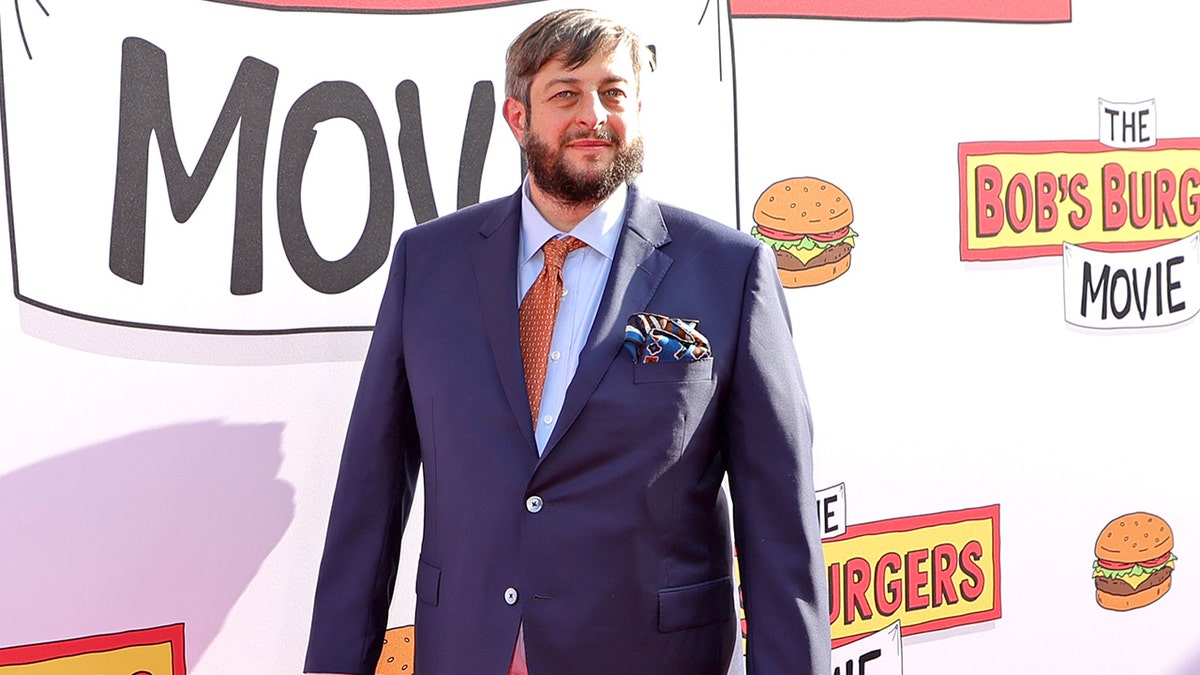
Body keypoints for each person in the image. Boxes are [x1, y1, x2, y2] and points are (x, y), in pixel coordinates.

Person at [304, 9, 829, 675]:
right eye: (565, 93)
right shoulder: (427, 263)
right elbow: (369, 496)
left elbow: (778, 520)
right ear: (517, 117)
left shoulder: (728, 271)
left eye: (614, 93)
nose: (594, 115)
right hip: (470, 648)